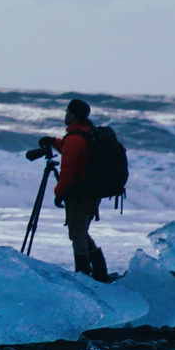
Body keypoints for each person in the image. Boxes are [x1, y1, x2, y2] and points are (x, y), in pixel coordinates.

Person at [39, 98, 110, 282]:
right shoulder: (86, 133)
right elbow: (73, 153)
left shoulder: (76, 137)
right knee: (80, 231)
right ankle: (100, 271)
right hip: (91, 192)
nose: (65, 115)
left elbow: (68, 171)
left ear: (72, 114)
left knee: (77, 234)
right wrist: (54, 141)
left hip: (81, 194)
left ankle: (84, 272)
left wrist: (58, 194)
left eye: (67, 112)